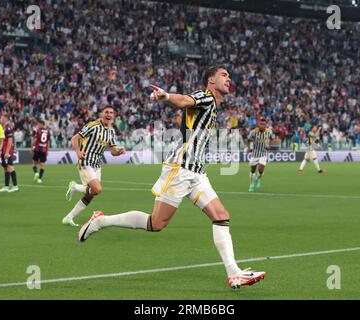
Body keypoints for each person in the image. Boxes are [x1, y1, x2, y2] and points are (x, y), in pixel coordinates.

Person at [78, 66, 266, 289]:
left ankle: (234, 273)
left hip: (197, 172)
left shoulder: (213, 105)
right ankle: (101, 221)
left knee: (221, 216)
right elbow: (184, 100)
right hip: (180, 169)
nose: (228, 78)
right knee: (156, 224)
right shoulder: (205, 96)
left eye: (228, 75)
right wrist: (166, 96)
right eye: (223, 75)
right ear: (211, 80)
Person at [62, 106, 126, 226]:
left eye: (111, 113)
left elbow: (113, 151)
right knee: (97, 189)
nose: (109, 114)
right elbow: (75, 138)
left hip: (97, 164)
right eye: (106, 112)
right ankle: (75, 186)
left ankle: (68, 217)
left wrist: (119, 152)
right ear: (102, 114)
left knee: (91, 195)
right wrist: (78, 152)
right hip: (86, 161)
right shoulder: (93, 125)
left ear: (113, 116)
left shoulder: (111, 131)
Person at [247, 118, 274, 191]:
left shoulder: (269, 132)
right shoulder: (253, 132)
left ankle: (258, 179)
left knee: (261, 169)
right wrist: (249, 148)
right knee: (253, 170)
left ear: (266, 125)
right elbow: (248, 140)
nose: (262, 126)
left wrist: (269, 146)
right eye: (261, 124)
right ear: (258, 124)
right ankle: (251, 184)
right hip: (255, 153)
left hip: (263, 153)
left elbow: (272, 139)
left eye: (264, 124)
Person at [0, 113, 19, 192]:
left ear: (6, 118)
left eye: (1, 118)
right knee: (5, 168)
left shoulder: (8, 128)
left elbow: (10, 141)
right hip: (3, 150)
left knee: (10, 167)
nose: (0, 119)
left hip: (7, 151)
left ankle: (15, 186)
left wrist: (7, 152)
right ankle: (6, 186)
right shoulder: (3, 128)